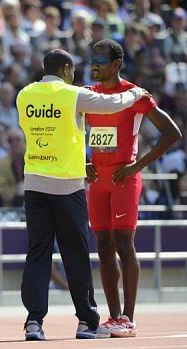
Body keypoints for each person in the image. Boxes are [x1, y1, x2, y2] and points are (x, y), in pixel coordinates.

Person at [16, 48, 150, 341]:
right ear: (66, 69)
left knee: (38, 252)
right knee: (74, 252)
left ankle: (33, 323)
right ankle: (87, 322)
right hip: (66, 185)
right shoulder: (72, 94)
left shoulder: (24, 94)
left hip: (34, 184)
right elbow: (113, 104)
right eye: (73, 70)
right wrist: (137, 93)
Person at [86, 39, 182, 337]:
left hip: (124, 177)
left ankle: (128, 317)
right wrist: (81, 161)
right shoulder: (87, 95)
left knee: (124, 242)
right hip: (96, 179)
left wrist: (137, 166)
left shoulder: (135, 95)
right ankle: (113, 317)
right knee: (103, 246)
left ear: (116, 64)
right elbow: (74, 131)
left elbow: (172, 133)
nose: (95, 65)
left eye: (101, 60)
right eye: (93, 60)